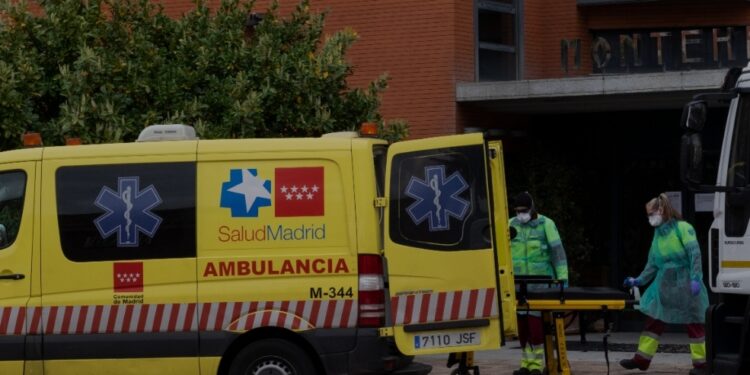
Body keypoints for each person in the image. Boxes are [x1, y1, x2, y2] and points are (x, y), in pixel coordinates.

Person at [620, 193, 709, 375]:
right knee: (653, 322)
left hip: (686, 286)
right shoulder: (658, 235)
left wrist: (695, 278)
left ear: (661, 210)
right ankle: (641, 360)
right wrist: (638, 280)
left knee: (694, 323)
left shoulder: (683, 228)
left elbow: (695, 255)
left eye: (651, 213)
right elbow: (652, 264)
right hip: (664, 288)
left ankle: (702, 365)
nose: (649, 218)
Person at [510, 191, 569, 375]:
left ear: (532, 208)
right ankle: (525, 364)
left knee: (535, 328)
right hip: (518, 285)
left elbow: (558, 254)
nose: (521, 214)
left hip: (540, 286)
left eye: (524, 210)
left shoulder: (546, 224)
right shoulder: (511, 225)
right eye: (518, 211)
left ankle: (536, 365)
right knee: (522, 328)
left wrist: (563, 279)